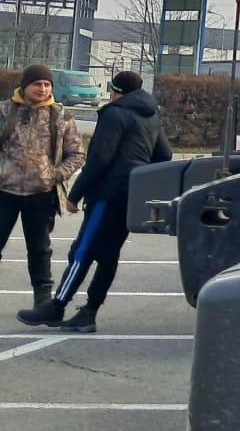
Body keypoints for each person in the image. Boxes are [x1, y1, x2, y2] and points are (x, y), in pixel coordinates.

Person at [18, 70, 169, 332]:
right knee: (109, 255)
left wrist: (75, 194)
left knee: (82, 252)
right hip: (130, 195)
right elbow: (164, 154)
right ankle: (89, 311)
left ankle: (57, 306)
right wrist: (139, 178)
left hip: (107, 194)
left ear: (115, 90)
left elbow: (100, 158)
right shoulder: (151, 113)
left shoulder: (114, 113)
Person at [0, 65, 85, 314]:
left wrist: (54, 176)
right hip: (5, 192)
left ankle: (42, 299)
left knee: (39, 249)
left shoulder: (61, 116)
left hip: (41, 195)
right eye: (37, 84)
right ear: (25, 86)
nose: (43, 89)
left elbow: (77, 154)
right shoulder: (5, 111)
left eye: (47, 85)